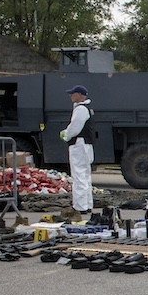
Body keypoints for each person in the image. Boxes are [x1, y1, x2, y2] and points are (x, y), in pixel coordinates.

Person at [60, 85, 95, 215]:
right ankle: (87, 204)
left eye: (73, 93)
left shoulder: (80, 109)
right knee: (85, 175)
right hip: (86, 145)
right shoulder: (88, 109)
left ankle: (80, 206)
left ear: (80, 95)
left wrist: (66, 134)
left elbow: (75, 127)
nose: (70, 95)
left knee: (78, 175)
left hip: (79, 145)